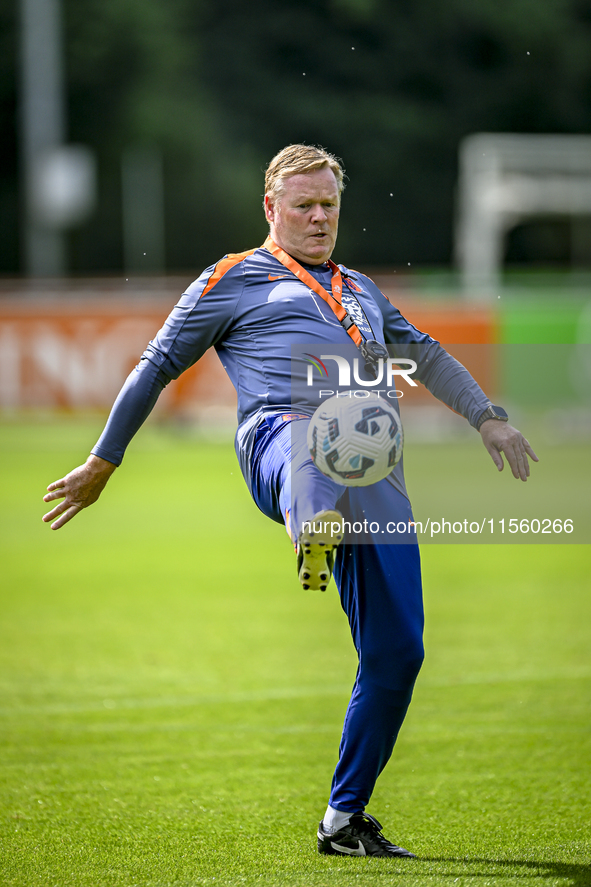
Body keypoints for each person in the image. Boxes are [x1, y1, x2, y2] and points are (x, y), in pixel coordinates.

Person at [42, 144, 538, 858]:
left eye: (328, 205)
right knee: (318, 430)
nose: (317, 217)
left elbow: (424, 352)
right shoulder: (231, 277)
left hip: (373, 474)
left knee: (398, 650)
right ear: (269, 208)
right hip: (281, 438)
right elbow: (154, 365)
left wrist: (485, 414)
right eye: (302, 204)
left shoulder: (362, 289)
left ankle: (343, 818)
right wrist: (103, 459)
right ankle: (310, 530)